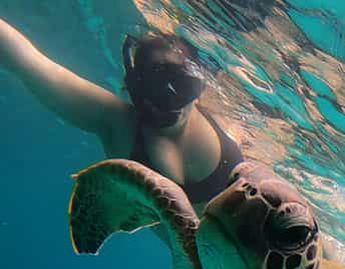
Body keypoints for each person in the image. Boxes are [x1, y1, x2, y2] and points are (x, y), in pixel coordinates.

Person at [0, 18, 242, 207]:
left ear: (201, 87)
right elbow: (27, 61)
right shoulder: (117, 123)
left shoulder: (230, 126)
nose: (168, 100)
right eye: (152, 85)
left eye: (183, 86)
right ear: (135, 87)